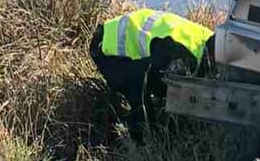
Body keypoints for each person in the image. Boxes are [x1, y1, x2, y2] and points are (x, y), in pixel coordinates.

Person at [90, 9, 214, 141]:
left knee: (164, 82)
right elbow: (149, 76)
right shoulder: (181, 55)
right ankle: (141, 143)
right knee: (141, 96)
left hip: (125, 33)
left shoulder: (209, 37)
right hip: (107, 48)